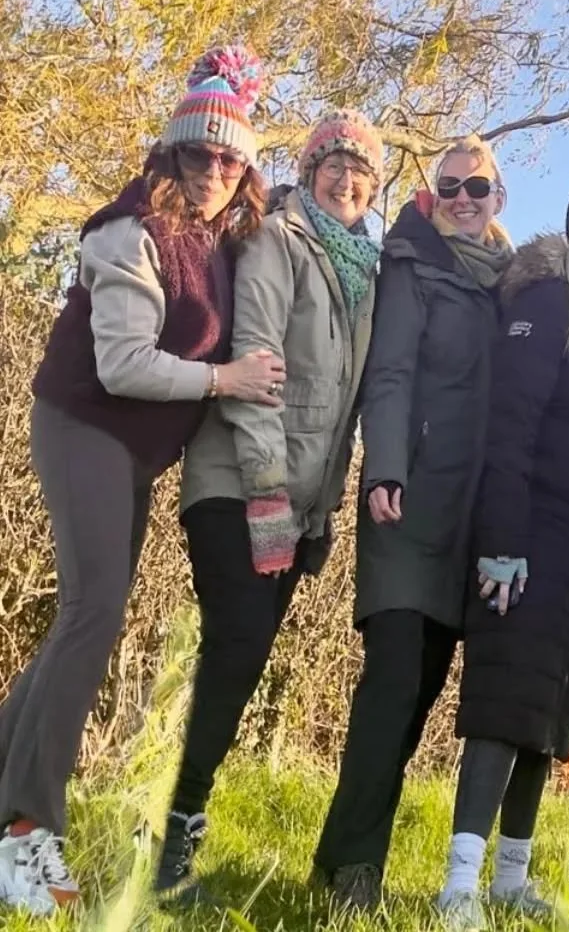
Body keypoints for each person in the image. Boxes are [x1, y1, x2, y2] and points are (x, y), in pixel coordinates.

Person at [0, 47, 279, 917]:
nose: (214, 171)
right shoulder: (129, 231)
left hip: (133, 451)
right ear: (170, 155)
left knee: (85, 620)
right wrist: (223, 381)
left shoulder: (219, 238)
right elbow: (122, 364)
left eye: (232, 158)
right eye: (200, 154)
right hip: (85, 423)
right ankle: (24, 834)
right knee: (93, 614)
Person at [153, 111, 385, 900]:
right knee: (239, 645)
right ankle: (175, 820)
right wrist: (269, 495)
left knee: (237, 657)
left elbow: (345, 406)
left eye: (360, 171)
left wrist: (316, 513)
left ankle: (170, 809)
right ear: (309, 169)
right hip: (236, 482)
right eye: (333, 164)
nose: (345, 179)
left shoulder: (367, 272)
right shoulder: (278, 242)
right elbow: (256, 368)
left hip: (299, 500)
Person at [437, 169, 569, 922]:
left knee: (546, 715)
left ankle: (510, 878)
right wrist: (501, 542)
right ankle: (460, 881)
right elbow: (512, 425)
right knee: (502, 708)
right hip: (528, 535)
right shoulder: (549, 299)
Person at [313, 136, 514, 910]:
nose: (463, 199)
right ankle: (357, 871)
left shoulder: (513, 285)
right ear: (435, 195)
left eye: (478, 188)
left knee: (422, 693)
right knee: (392, 684)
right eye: (451, 186)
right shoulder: (411, 264)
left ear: (499, 199)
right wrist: (386, 466)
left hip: (470, 520)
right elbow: (389, 372)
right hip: (408, 502)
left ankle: (338, 858)